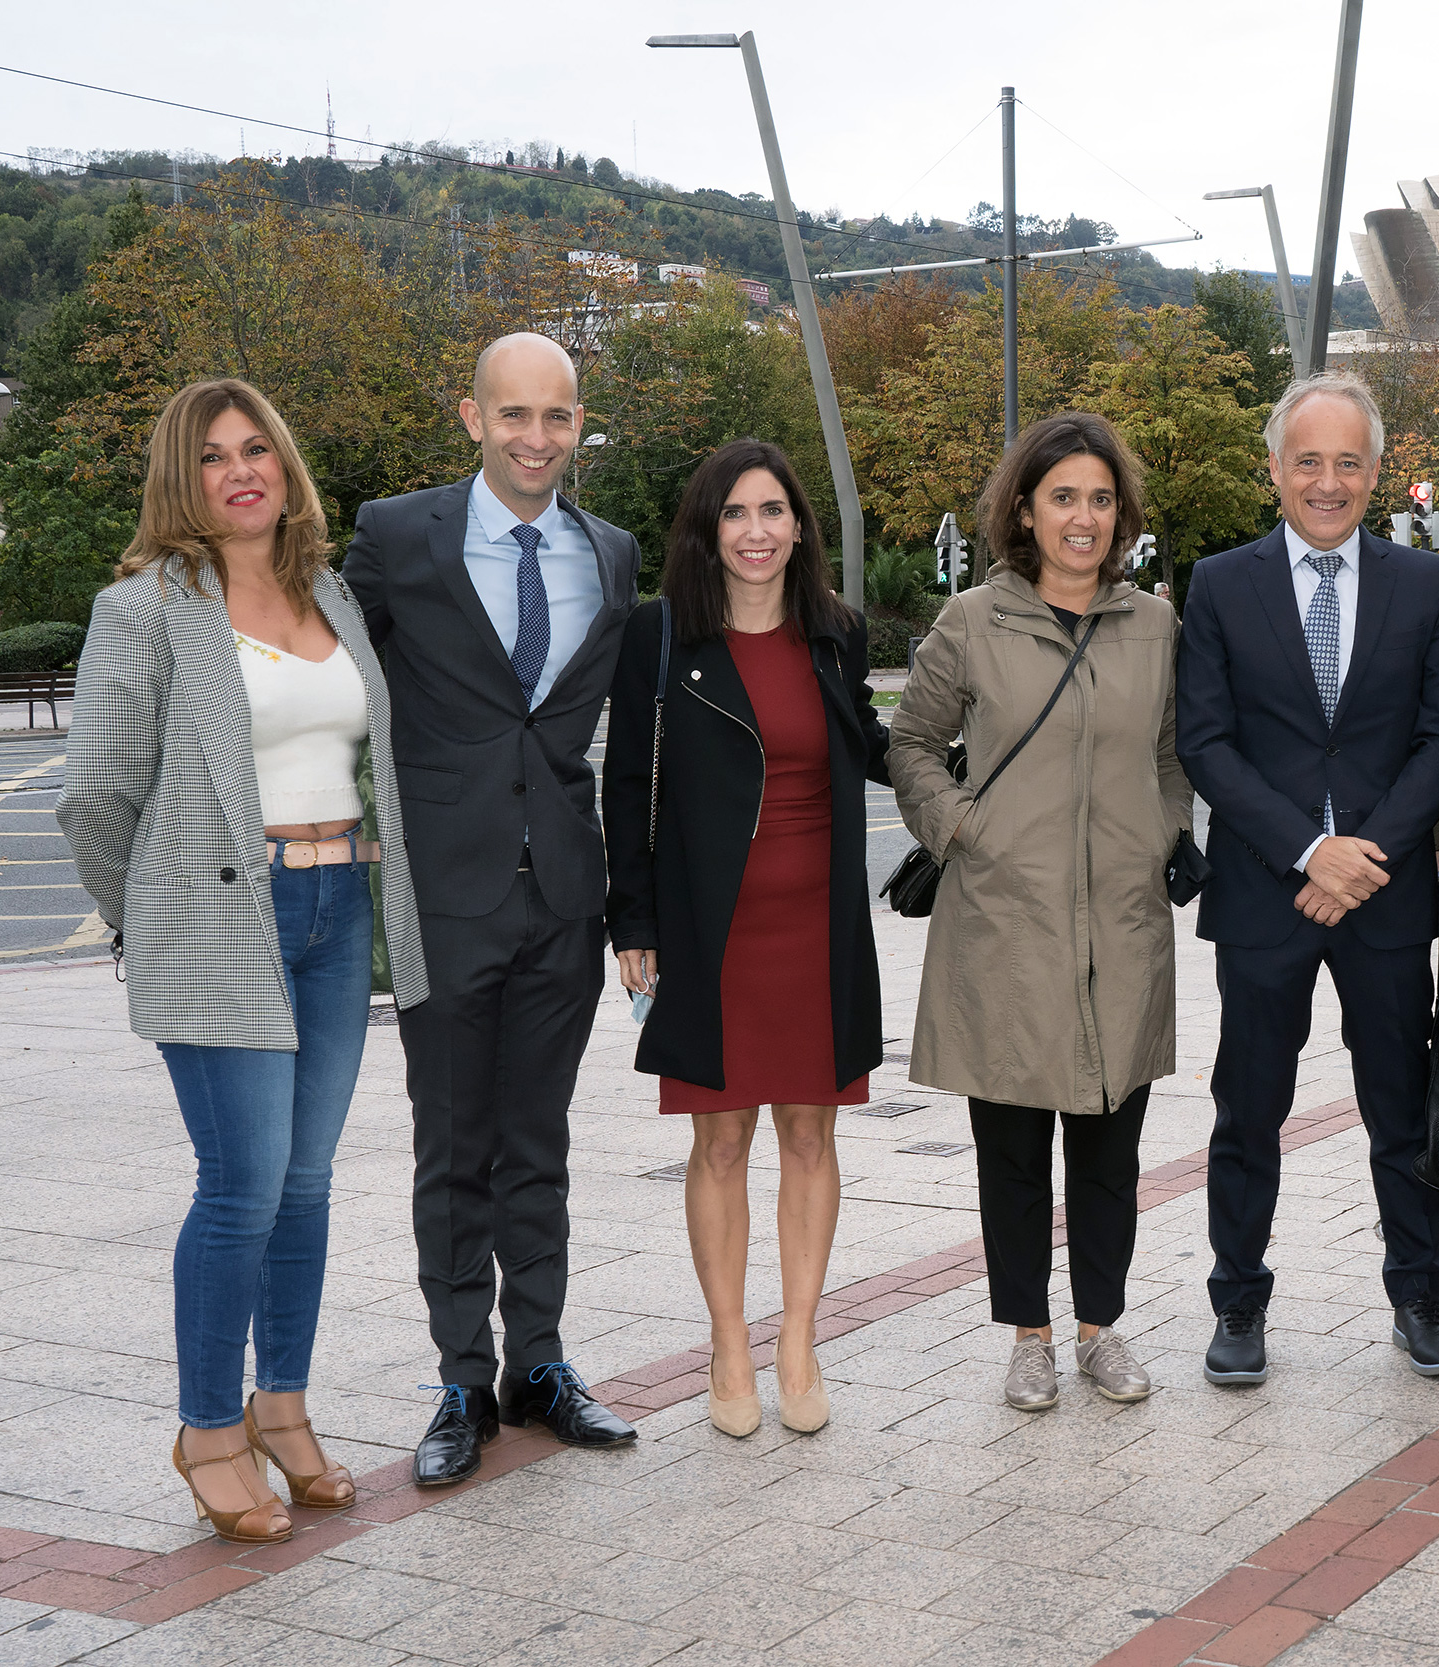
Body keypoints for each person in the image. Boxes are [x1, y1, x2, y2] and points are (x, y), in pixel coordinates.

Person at [58, 378, 429, 1543]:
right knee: (241, 1187)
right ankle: (208, 1426)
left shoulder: (329, 590)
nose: (241, 471)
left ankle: (283, 1407)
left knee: (306, 1184)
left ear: (285, 464)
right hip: (225, 915)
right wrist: (149, 918)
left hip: (335, 910)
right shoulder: (146, 607)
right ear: (185, 479)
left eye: (257, 447)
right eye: (214, 456)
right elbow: (95, 799)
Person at [342, 332, 643, 1483]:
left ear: (578, 425)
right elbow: (329, 675)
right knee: (452, 1142)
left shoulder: (608, 555)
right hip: (444, 893)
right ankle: (463, 1377)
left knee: (538, 1143)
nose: (534, 438)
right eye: (512, 414)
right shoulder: (394, 534)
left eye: (556, 417)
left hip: (561, 894)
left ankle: (543, 1364)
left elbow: (614, 740)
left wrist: (631, 904)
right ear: (472, 417)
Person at [1177, 370, 1439, 1385]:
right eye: (1309, 459)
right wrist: (1311, 851)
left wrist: (1365, 858)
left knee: (1402, 1107)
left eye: (1349, 461)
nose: (1329, 480)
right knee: (1246, 1107)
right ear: (1274, 470)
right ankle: (1238, 1305)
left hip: (1386, 897)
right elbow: (1207, 745)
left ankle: (1420, 1296)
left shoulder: (1424, 586)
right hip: (1268, 890)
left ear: (1377, 472)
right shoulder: (1218, 585)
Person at [891, 412, 1189, 1412]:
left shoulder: (1153, 627)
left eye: (1100, 499)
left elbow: (1172, 753)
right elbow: (913, 744)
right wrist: (962, 830)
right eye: (1063, 495)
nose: (1084, 516)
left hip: (1121, 925)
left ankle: (1101, 1328)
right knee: (1012, 1154)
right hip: (1003, 926)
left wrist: (1160, 833)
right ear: (1025, 508)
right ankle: (1028, 1334)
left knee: (1109, 1151)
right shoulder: (972, 621)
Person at [603, 440, 888, 1438]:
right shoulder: (660, 636)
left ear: (800, 525)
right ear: (707, 530)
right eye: (735, 513)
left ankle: (798, 1338)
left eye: (773, 511)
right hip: (709, 924)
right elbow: (627, 786)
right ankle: (729, 1342)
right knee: (719, 1138)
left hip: (819, 926)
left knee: (812, 1131)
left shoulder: (836, 635)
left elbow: (876, 747)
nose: (756, 531)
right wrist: (631, 919)